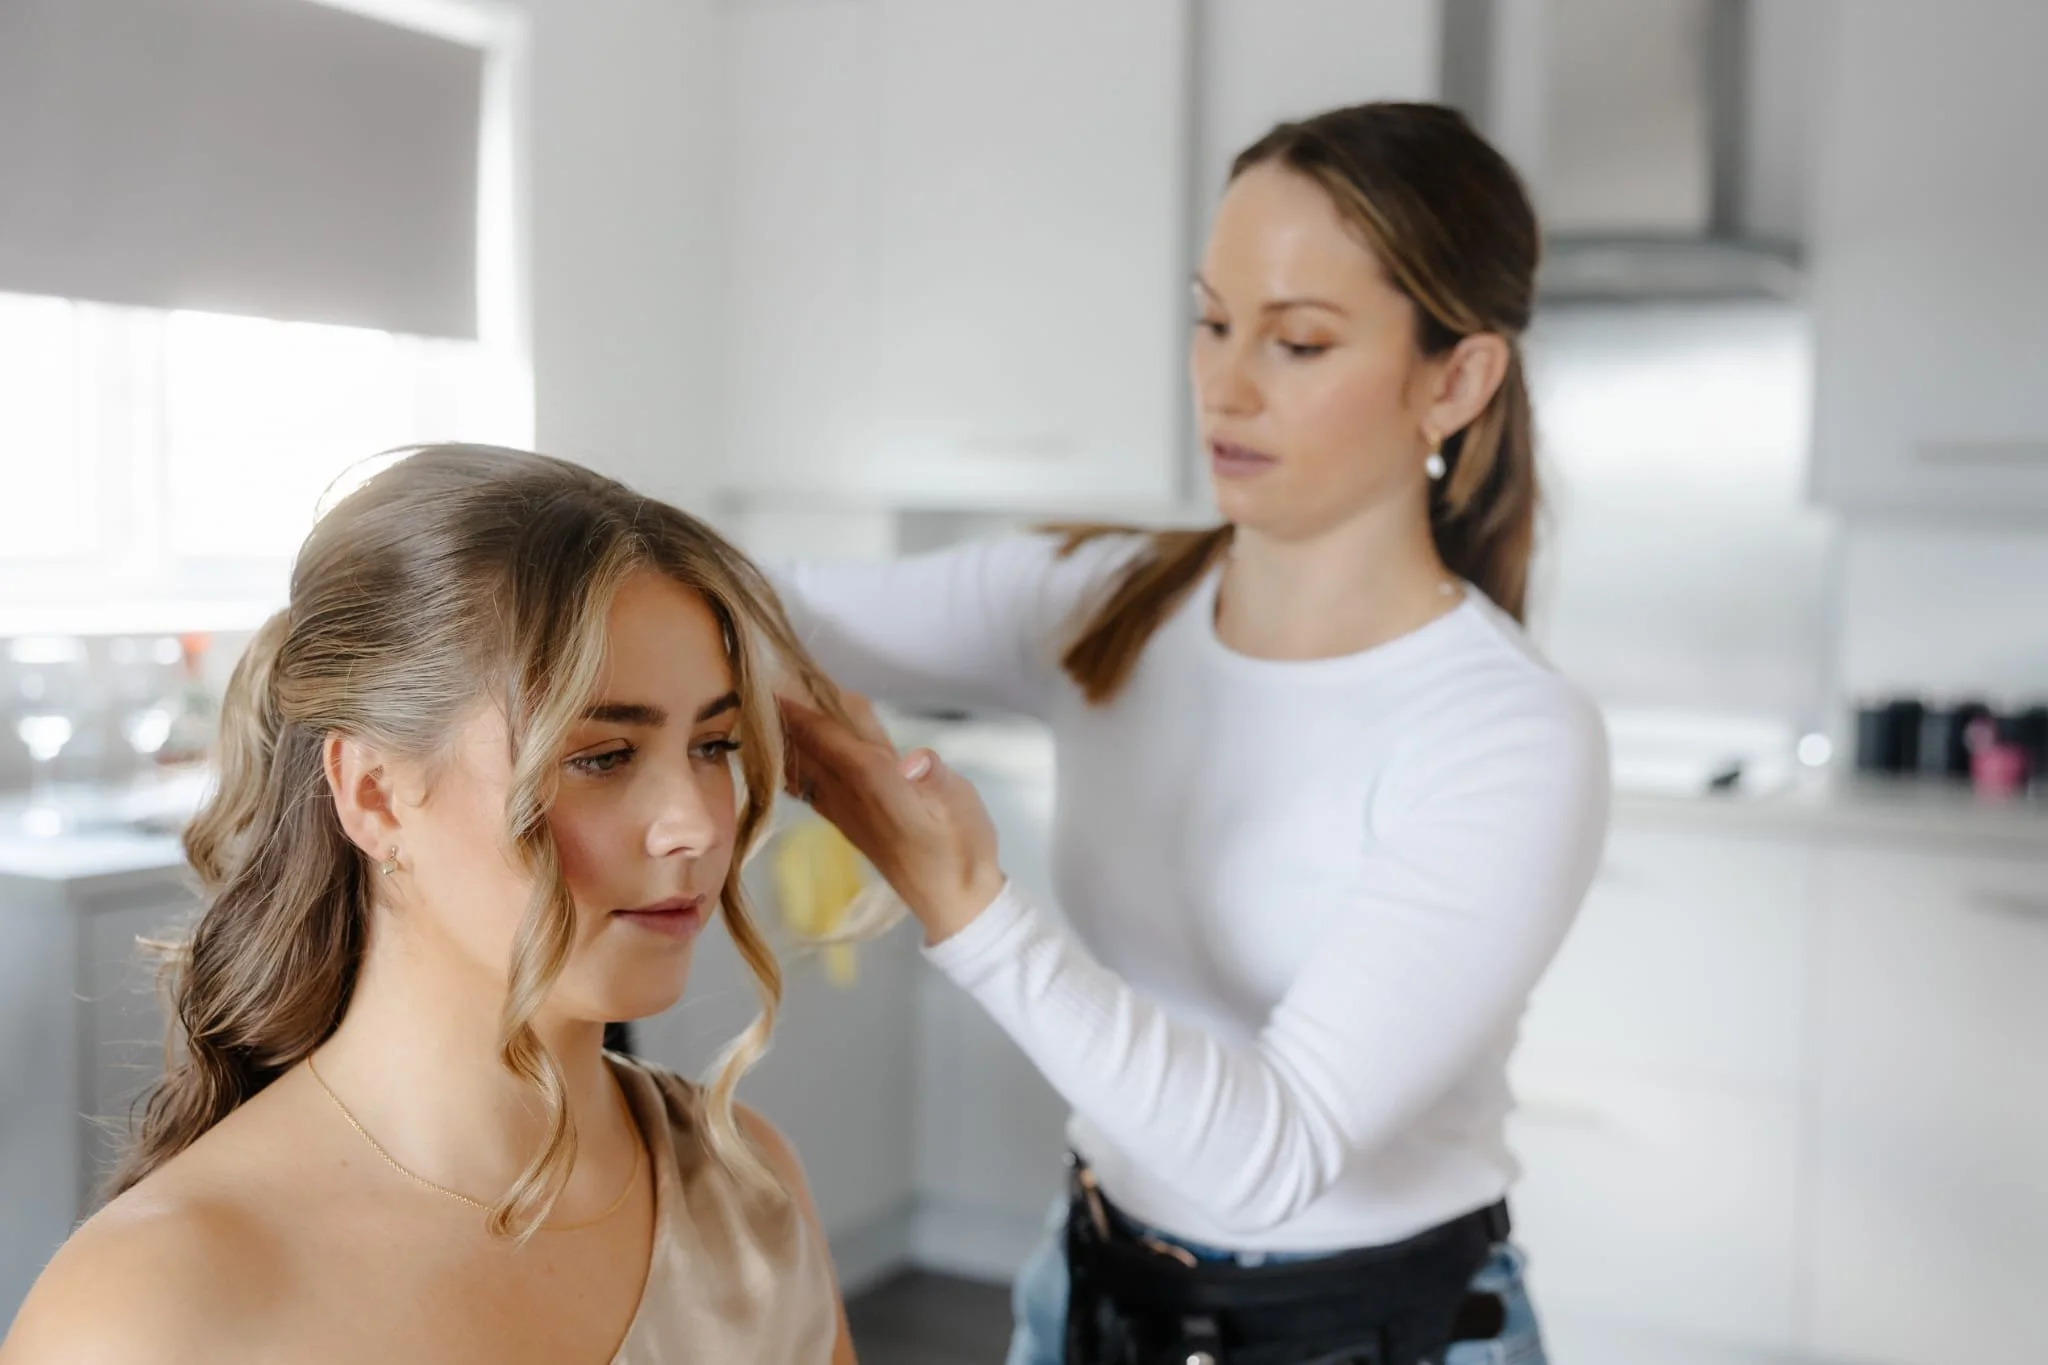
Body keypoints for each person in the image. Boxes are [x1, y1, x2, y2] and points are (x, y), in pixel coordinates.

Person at [774, 102, 1610, 1365]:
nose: (1224, 384)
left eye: (1299, 341)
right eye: (1212, 321)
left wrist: (965, 902)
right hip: (1090, 1296)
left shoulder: (1505, 732)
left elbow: (1268, 1154)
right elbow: (759, 601)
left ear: (1455, 379)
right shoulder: (1102, 603)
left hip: (1377, 1333)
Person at [1, 447, 861, 1365]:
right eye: (602, 756)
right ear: (373, 794)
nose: (695, 825)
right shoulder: (148, 1310)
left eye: (716, 744)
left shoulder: (751, 1189)